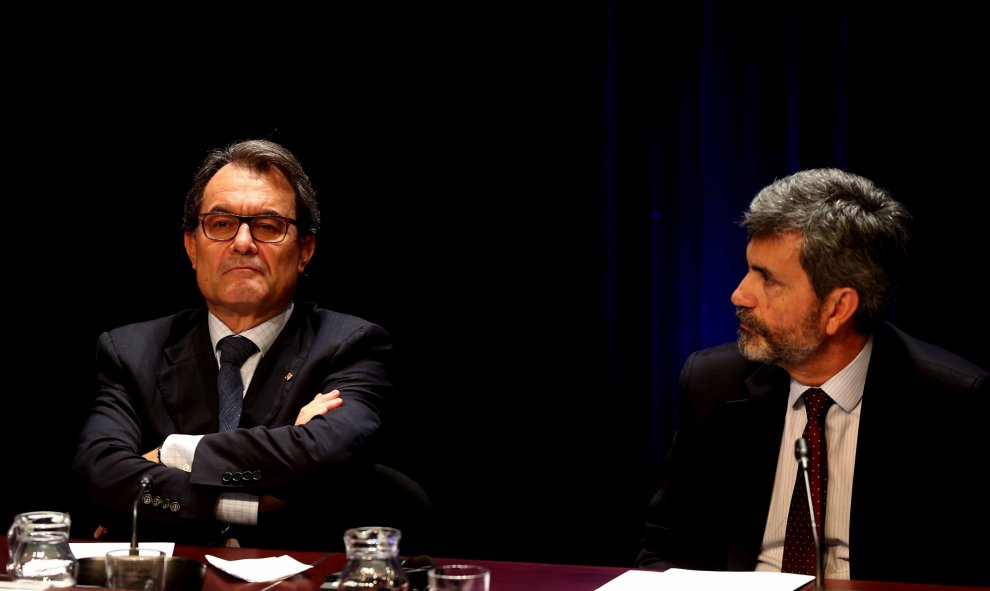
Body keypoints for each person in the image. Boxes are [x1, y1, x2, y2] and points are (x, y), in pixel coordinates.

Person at [634, 168, 989, 587]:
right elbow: (665, 549)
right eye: (749, 269)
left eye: (768, 279)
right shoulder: (711, 385)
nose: (739, 294)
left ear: (838, 308)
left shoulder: (949, 402)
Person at [73, 139, 396, 550]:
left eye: (268, 225)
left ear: (305, 251)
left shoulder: (353, 344)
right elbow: (98, 470)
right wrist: (247, 502)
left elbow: (322, 454)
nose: (243, 242)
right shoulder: (130, 350)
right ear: (192, 247)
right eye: (221, 224)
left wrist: (172, 451)